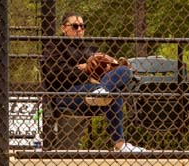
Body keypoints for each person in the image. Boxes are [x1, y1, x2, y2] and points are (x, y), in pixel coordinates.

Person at [40, 12, 145, 152]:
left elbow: (101, 71)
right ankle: (102, 91)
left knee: (124, 71)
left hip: (96, 91)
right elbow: (56, 73)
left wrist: (108, 66)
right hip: (67, 94)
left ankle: (119, 143)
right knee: (114, 92)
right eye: (75, 26)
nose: (79, 29)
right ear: (63, 28)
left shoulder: (89, 49)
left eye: (82, 26)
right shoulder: (55, 46)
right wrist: (87, 73)